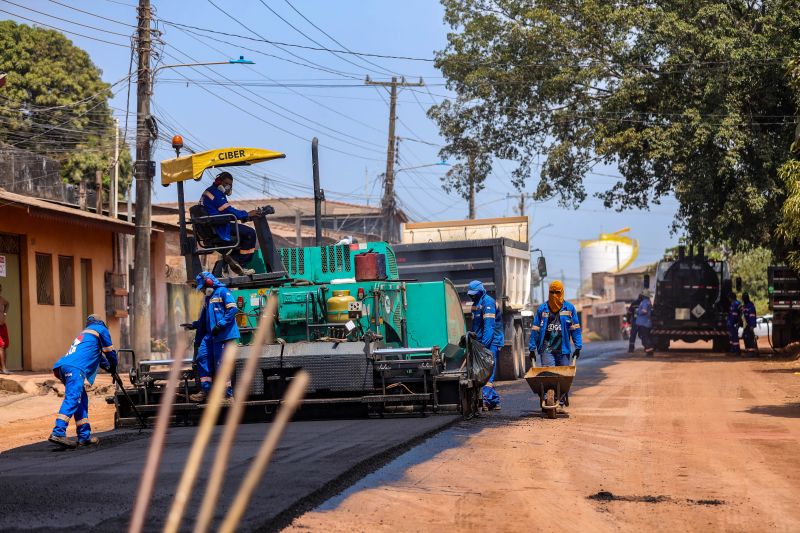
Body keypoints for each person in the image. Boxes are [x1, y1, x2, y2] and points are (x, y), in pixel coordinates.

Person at [48, 315, 117, 448]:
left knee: (81, 400)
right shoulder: (100, 329)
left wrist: (109, 367)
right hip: (75, 368)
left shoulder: (86, 335)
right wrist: (114, 366)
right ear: (101, 323)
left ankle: (84, 436)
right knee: (73, 398)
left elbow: (99, 358)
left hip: (63, 367)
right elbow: (109, 352)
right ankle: (58, 432)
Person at [183, 271, 240, 403]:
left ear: (209, 283)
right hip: (210, 336)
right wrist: (194, 325)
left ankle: (227, 396)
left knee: (221, 364)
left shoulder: (223, 292)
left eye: (203, 287)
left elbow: (233, 309)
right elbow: (204, 319)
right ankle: (206, 391)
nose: (202, 290)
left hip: (223, 335)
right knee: (202, 357)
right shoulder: (208, 298)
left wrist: (221, 324)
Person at [529, 280, 582, 405]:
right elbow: (535, 330)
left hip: (563, 350)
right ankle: (549, 397)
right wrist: (532, 348)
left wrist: (578, 347)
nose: (554, 295)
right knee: (549, 376)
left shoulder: (569, 308)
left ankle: (561, 397)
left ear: (562, 292)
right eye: (551, 292)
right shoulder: (542, 309)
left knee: (562, 378)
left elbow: (575, 329)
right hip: (547, 349)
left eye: (557, 292)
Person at [201, 171, 259, 276]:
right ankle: (241, 264)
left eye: (229, 185)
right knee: (250, 233)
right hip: (219, 227)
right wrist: (247, 214)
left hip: (214, 225)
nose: (227, 186)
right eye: (226, 183)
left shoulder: (210, 191)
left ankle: (232, 260)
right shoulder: (216, 194)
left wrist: (243, 216)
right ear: (219, 181)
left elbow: (224, 211)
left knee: (242, 233)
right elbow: (228, 210)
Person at [467, 280, 504, 410]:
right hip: (481, 342)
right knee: (483, 371)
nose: (472, 296)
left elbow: (489, 327)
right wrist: (473, 340)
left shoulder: (488, 302)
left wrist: (483, 346)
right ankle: (494, 400)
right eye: (471, 294)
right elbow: (476, 326)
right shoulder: (475, 305)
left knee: (488, 371)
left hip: (492, 340)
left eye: (474, 294)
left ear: (481, 291)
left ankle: (485, 399)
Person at [635, 290, 655, 356]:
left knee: (645, 338)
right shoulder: (649, 302)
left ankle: (649, 352)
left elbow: (644, 311)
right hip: (646, 322)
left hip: (643, 323)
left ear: (644, 296)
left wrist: (638, 312)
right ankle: (649, 351)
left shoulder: (644, 302)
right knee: (647, 337)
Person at [0, 284, 10, 374]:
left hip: (3, 325)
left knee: (5, 346)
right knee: (2, 346)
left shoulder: (1, 299)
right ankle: (3, 368)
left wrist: (5, 313)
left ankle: (2, 368)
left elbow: (7, 303)